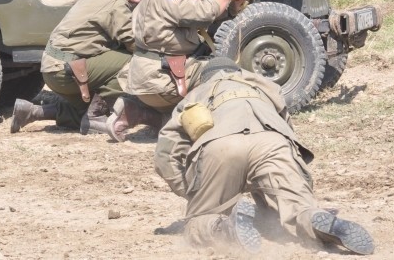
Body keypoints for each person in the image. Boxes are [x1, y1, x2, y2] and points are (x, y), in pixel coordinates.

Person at [154, 57, 375, 255]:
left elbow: (166, 153)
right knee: (295, 210)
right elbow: (288, 130)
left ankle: (225, 227)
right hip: (273, 143)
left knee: (197, 223)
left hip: (220, 147)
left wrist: (190, 190)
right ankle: (315, 220)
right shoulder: (265, 87)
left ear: (204, 79)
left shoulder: (196, 95)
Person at [107, 0, 261, 141]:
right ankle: (212, 127)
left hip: (148, 75)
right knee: (223, 70)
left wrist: (235, 1)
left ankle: (133, 111)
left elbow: (197, 17)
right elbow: (204, 12)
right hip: (161, 77)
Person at [10, 0, 151, 135]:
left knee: (89, 109)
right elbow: (135, 45)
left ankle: (32, 112)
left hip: (54, 68)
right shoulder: (116, 3)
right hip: (66, 69)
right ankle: (95, 116)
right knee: (136, 62)